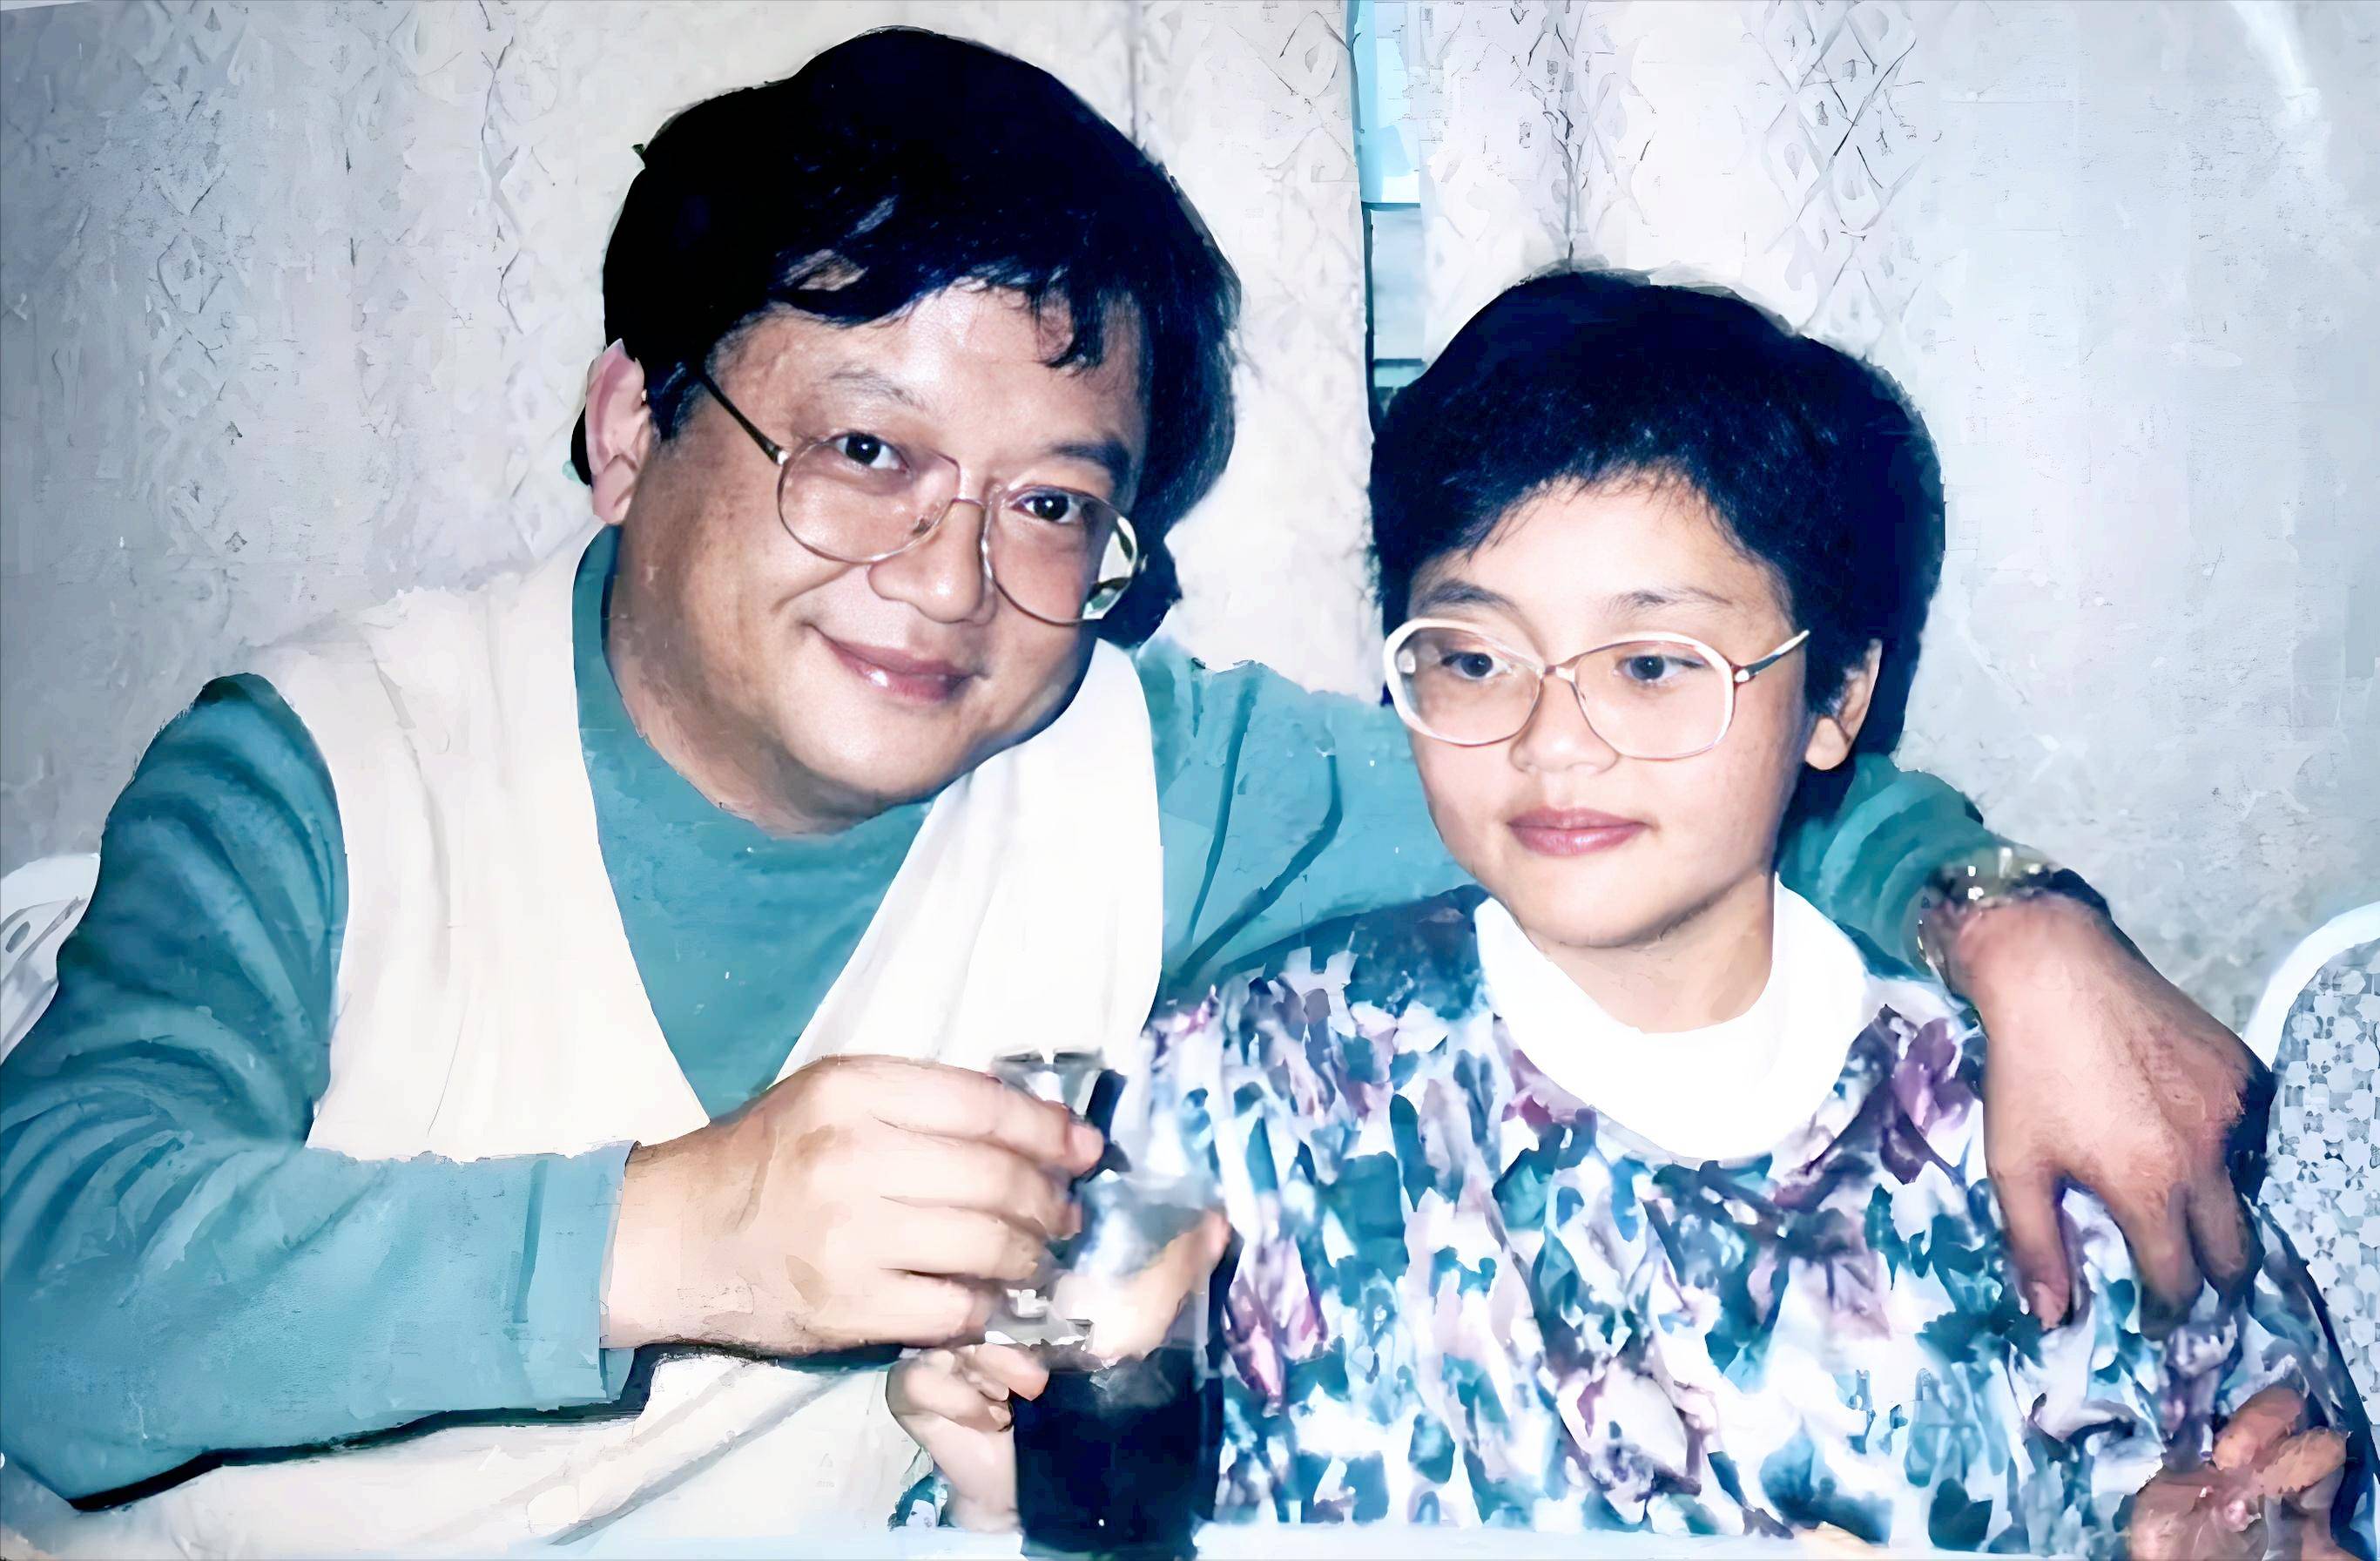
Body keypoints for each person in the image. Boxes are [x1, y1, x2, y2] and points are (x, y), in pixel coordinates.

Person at [0, 25, 2276, 1556]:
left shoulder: (1144, 765)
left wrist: (2004, 920)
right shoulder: (328, 765)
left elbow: (1608, 774)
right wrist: (675, 1232)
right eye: (865, 449)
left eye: (1051, 505)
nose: (949, 579)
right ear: (627, 421)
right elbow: (45, 1286)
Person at [891, 272, 2376, 1557]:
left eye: (1652, 665)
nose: (1552, 742)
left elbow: (2252, 1493)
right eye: (1473, 658)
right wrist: (997, 1507)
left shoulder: (2038, 1115)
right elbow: (1069, 1491)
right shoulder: (1230, 1099)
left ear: (1834, 696)